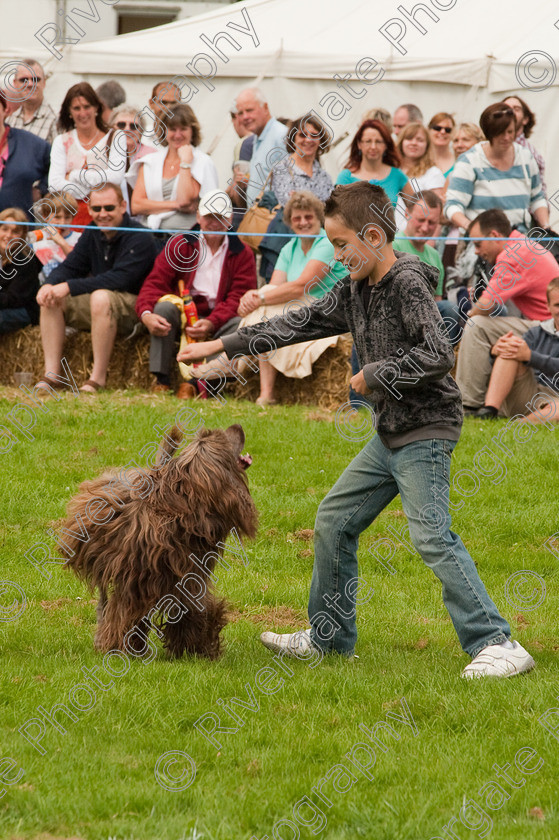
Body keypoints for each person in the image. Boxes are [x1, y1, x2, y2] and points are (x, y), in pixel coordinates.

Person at [178, 181, 534, 679]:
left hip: (425, 430)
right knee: (334, 520)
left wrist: (377, 373)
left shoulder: (408, 281)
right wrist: (222, 346)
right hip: (390, 432)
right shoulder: (356, 287)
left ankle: (497, 642)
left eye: (341, 244)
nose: (337, 255)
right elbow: (300, 322)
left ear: (371, 235)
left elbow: (436, 354)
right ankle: (328, 639)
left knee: (432, 537)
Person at [198, 190, 348, 405]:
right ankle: (265, 394)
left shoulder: (326, 243)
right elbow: (275, 286)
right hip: (302, 309)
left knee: (265, 308)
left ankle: (233, 362)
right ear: (289, 222)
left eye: (308, 217)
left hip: (328, 311)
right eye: (297, 218)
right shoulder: (289, 248)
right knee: (265, 305)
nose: (303, 222)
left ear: (319, 219)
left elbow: (301, 286)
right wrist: (253, 296)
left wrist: (259, 298)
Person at [36, 183, 157, 393]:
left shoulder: (141, 237)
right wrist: (48, 285)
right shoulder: (92, 233)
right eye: (97, 208)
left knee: (100, 296)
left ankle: (97, 379)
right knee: (51, 298)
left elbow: (120, 280)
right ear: (89, 209)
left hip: (137, 308)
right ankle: (52, 376)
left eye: (109, 208)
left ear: (122, 206)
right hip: (101, 306)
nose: (103, 214)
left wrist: (69, 286)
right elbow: (71, 266)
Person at [135, 190, 256, 398]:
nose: (215, 223)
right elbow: (154, 284)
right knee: (162, 308)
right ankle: (161, 381)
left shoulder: (243, 253)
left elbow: (238, 296)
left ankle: (197, 384)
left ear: (229, 220)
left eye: (220, 217)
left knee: (240, 325)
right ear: (199, 217)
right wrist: (146, 315)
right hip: (183, 314)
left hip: (218, 318)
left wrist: (211, 322)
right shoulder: (179, 244)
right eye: (209, 217)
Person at [456, 208, 558, 411]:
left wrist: (467, 317)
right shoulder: (521, 243)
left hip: (547, 329)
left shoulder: (512, 255)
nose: (476, 251)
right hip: (546, 327)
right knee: (499, 338)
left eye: (478, 244)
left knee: (478, 325)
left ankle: (469, 404)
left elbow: (486, 305)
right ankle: (487, 403)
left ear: (495, 235)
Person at [445, 104, 548, 234]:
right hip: (481, 241)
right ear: (489, 133)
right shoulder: (470, 161)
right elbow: (452, 206)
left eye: (510, 132)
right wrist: (472, 229)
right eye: (500, 133)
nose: (506, 138)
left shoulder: (526, 157)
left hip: (519, 238)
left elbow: (538, 198)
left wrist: (545, 227)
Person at [472, 277, 559, 421]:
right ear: (548, 306)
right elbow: (510, 361)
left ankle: (520, 425)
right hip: (528, 392)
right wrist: (494, 353)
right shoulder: (536, 332)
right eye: (557, 305)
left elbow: (530, 357)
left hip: (555, 397)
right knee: (512, 347)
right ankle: (490, 410)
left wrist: (530, 357)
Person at [48, 83, 126, 229]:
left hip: (106, 217)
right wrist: (92, 190)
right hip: (71, 220)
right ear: (69, 112)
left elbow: (115, 178)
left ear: (96, 107)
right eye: (77, 108)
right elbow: (54, 184)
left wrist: (74, 176)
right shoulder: (61, 141)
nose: (82, 113)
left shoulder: (116, 137)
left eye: (87, 106)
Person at [128, 104, 218, 231]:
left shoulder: (202, 162)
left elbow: (184, 199)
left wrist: (185, 163)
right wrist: (175, 205)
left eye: (183, 129)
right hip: (151, 235)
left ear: (192, 131)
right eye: (173, 129)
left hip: (186, 239)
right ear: (164, 131)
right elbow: (136, 205)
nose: (178, 135)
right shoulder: (149, 161)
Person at [336, 119, 414, 207]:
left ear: (386, 145)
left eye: (378, 141)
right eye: (368, 141)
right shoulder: (346, 177)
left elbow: (417, 209)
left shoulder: (397, 175)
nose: (373, 147)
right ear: (359, 144)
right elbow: (336, 215)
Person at [0, 90, 50, 216]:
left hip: (18, 229)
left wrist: (41, 190)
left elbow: (54, 168)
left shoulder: (32, 144)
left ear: (6, 110)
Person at [234, 87, 287, 206]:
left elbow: (291, 186)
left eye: (249, 110)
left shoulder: (280, 136)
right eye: (240, 113)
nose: (245, 117)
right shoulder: (258, 137)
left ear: (266, 108)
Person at [270, 114, 333, 206]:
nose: (308, 139)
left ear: (320, 141)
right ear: (293, 139)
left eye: (314, 135)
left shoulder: (325, 177)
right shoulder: (281, 169)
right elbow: (283, 207)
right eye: (302, 135)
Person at [395, 121, 445, 229]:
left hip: (414, 236)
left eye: (420, 140)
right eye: (409, 139)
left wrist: (429, 242)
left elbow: (435, 212)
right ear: (401, 142)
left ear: (427, 145)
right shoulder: (391, 170)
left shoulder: (433, 173)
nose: (414, 143)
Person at [0, 208, 42, 334]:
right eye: (5, 229)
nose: (8, 236)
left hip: (23, 310)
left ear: (22, 235)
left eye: (15, 232)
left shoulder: (26, 260)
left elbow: (14, 299)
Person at [30, 192, 81, 282]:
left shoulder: (80, 239)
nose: (62, 223)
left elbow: (81, 266)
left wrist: (61, 242)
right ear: (45, 216)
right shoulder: (35, 239)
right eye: (57, 217)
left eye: (67, 217)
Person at [503, 95, 546, 198]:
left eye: (516, 109)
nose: (510, 112)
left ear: (525, 119)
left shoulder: (530, 153)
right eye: (506, 108)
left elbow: (538, 196)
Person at [5, 59, 57, 143]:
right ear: (15, 84)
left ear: (44, 83)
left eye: (36, 79)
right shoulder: (9, 120)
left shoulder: (56, 120)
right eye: (23, 80)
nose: (30, 84)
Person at [428, 112, 455, 177]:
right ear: (428, 130)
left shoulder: (458, 161)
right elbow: (412, 181)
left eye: (448, 130)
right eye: (437, 128)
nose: (443, 132)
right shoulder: (419, 159)